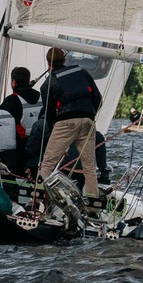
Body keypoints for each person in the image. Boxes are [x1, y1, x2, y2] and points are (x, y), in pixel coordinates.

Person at [35, 48, 103, 200]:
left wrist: (55, 129)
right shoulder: (82, 72)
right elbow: (98, 99)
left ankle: (43, 201)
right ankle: (92, 204)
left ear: (48, 62)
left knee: (47, 165)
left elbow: (49, 114)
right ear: (64, 60)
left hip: (65, 122)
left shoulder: (47, 84)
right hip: (88, 120)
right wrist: (90, 116)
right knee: (89, 167)